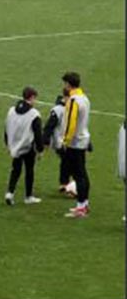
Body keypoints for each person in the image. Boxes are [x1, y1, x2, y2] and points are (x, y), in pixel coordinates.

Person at [4, 86, 44, 205]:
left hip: (15, 145)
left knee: (15, 169)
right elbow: (37, 134)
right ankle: (28, 196)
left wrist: (7, 143)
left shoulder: (11, 110)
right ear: (31, 97)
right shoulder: (34, 114)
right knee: (29, 170)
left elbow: (6, 127)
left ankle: (10, 193)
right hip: (27, 146)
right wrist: (40, 149)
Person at [59, 71, 91, 218]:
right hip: (82, 139)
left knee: (79, 175)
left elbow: (70, 124)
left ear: (68, 84)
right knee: (82, 174)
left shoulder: (73, 100)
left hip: (75, 142)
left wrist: (65, 140)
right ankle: (84, 204)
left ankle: (81, 207)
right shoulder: (84, 98)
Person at [42, 93, 75, 197]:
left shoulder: (61, 110)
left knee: (66, 162)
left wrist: (45, 141)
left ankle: (64, 183)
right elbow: (49, 127)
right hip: (64, 142)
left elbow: (49, 127)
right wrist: (45, 141)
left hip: (62, 142)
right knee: (72, 164)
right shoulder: (62, 110)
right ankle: (70, 187)